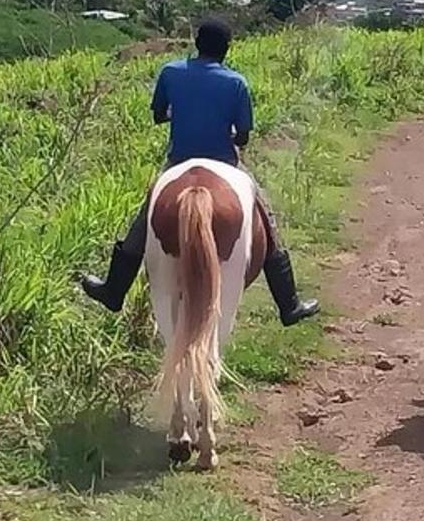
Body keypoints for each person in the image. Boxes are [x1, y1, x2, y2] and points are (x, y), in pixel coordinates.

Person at [81, 20, 320, 325]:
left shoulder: (171, 72)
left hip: (179, 161)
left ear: (196, 43)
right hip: (225, 161)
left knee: (143, 221)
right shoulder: (236, 83)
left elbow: (159, 115)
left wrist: (181, 115)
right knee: (268, 223)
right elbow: (243, 136)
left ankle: (113, 290)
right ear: (226, 49)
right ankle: (289, 304)